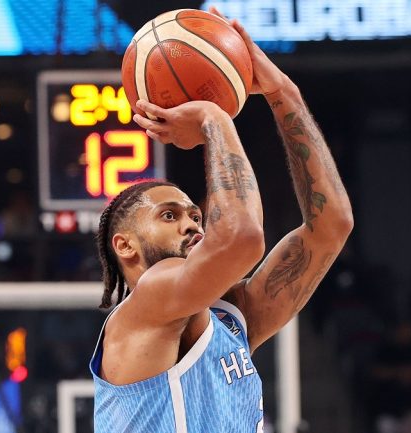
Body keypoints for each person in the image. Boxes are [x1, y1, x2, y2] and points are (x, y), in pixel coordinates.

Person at [89, 8, 354, 432]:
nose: (192, 224)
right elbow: (243, 238)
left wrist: (283, 92)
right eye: (169, 215)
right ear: (125, 245)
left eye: (196, 215)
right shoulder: (146, 304)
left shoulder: (232, 319)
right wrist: (213, 117)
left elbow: (332, 225)